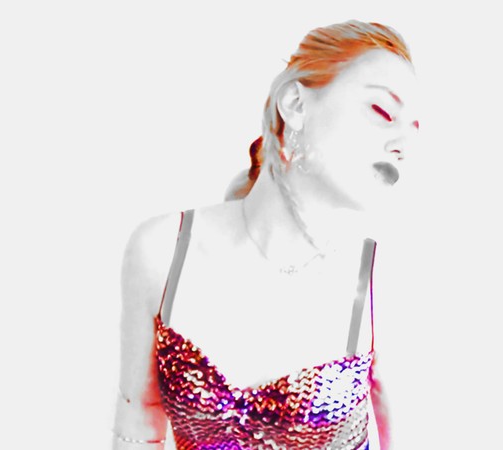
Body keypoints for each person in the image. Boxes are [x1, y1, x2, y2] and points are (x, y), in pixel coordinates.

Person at [112, 20, 419, 450]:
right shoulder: (162, 250)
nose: (403, 143)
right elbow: (138, 424)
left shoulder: (379, 281)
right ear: (295, 104)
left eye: (415, 130)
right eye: (383, 112)